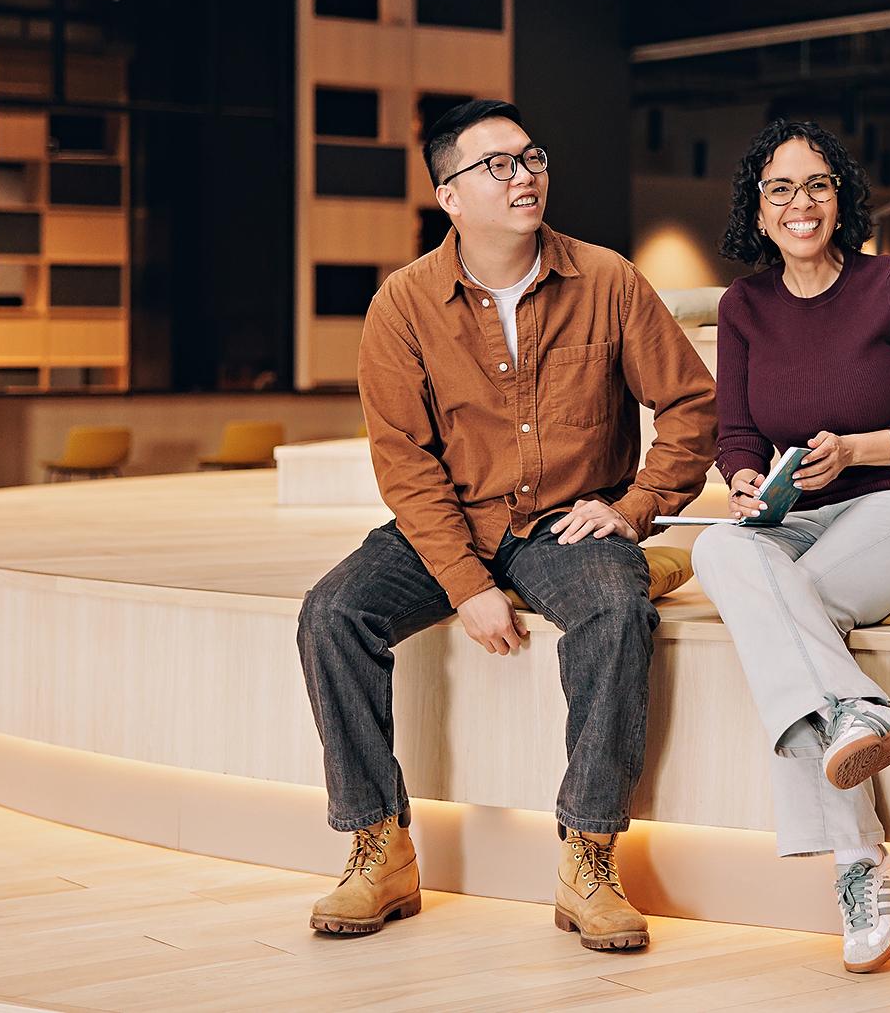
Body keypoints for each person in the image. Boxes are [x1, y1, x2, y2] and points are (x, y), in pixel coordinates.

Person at [296, 99, 716, 951]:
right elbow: (405, 462)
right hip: (453, 519)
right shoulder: (403, 303)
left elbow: (689, 405)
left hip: (569, 522)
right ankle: (380, 845)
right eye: (497, 165)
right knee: (332, 612)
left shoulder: (607, 279)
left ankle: (588, 857)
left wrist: (632, 508)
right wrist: (466, 584)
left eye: (531, 158)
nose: (524, 176)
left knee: (614, 610)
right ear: (448, 194)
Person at [688, 120, 890, 974]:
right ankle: (861, 711)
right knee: (718, 551)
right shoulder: (744, 306)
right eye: (780, 188)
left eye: (817, 183)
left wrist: (858, 449)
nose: (801, 202)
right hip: (796, 514)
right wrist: (745, 480)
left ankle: (858, 860)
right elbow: (735, 433)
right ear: (758, 209)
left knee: (791, 606)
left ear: (841, 196)